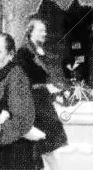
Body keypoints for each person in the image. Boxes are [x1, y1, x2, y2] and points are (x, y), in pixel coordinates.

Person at [0, 32, 45, 170]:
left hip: (15, 155)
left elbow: (22, 120)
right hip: (3, 153)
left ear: (10, 55)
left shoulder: (16, 77)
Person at [16, 18, 68, 170]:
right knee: (43, 144)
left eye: (45, 30)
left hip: (43, 100)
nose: (44, 33)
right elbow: (20, 79)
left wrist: (52, 87)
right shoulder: (24, 52)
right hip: (33, 103)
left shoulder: (42, 51)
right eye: (41, 30)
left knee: (44, 144)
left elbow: (46, 76)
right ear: (31, 32)